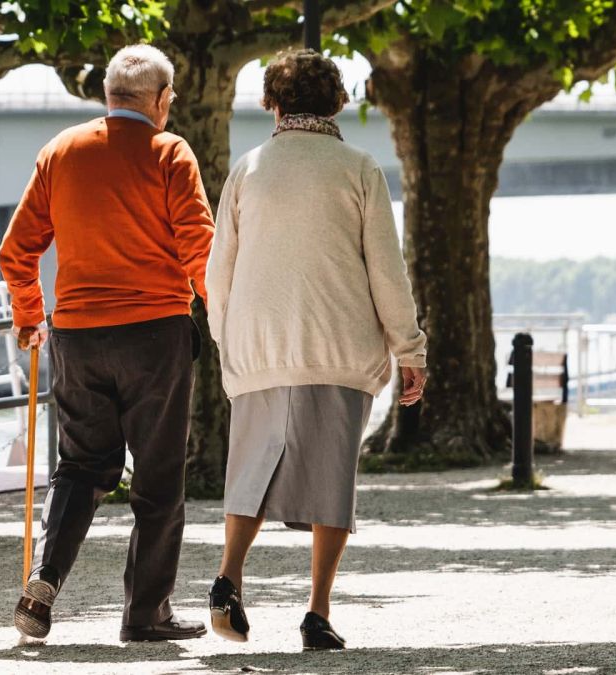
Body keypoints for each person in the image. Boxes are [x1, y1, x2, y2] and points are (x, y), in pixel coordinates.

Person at [204, 49, 428, 650]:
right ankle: (317, 613)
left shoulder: (248, 169)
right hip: (337, 345)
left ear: (272, 103)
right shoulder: (358, 168)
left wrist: (230, 340)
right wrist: (410, 350)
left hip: (260, 347)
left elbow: (217, 272)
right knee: (332, 481)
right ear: (337, 102)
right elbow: (387, 270)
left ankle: (229, 576)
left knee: (251, 469)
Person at [0, 43, 214, 643]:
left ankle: (45, 577)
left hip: (78, 337)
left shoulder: (61, 151)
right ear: (164, 100)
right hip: (155, 336)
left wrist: (29, 315)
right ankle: (146, 614)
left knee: (82, 467)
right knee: (159, 475)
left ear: (107, 95)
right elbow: (199, 249)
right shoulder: (170, 152)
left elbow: (16, 252)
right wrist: (223, 316)